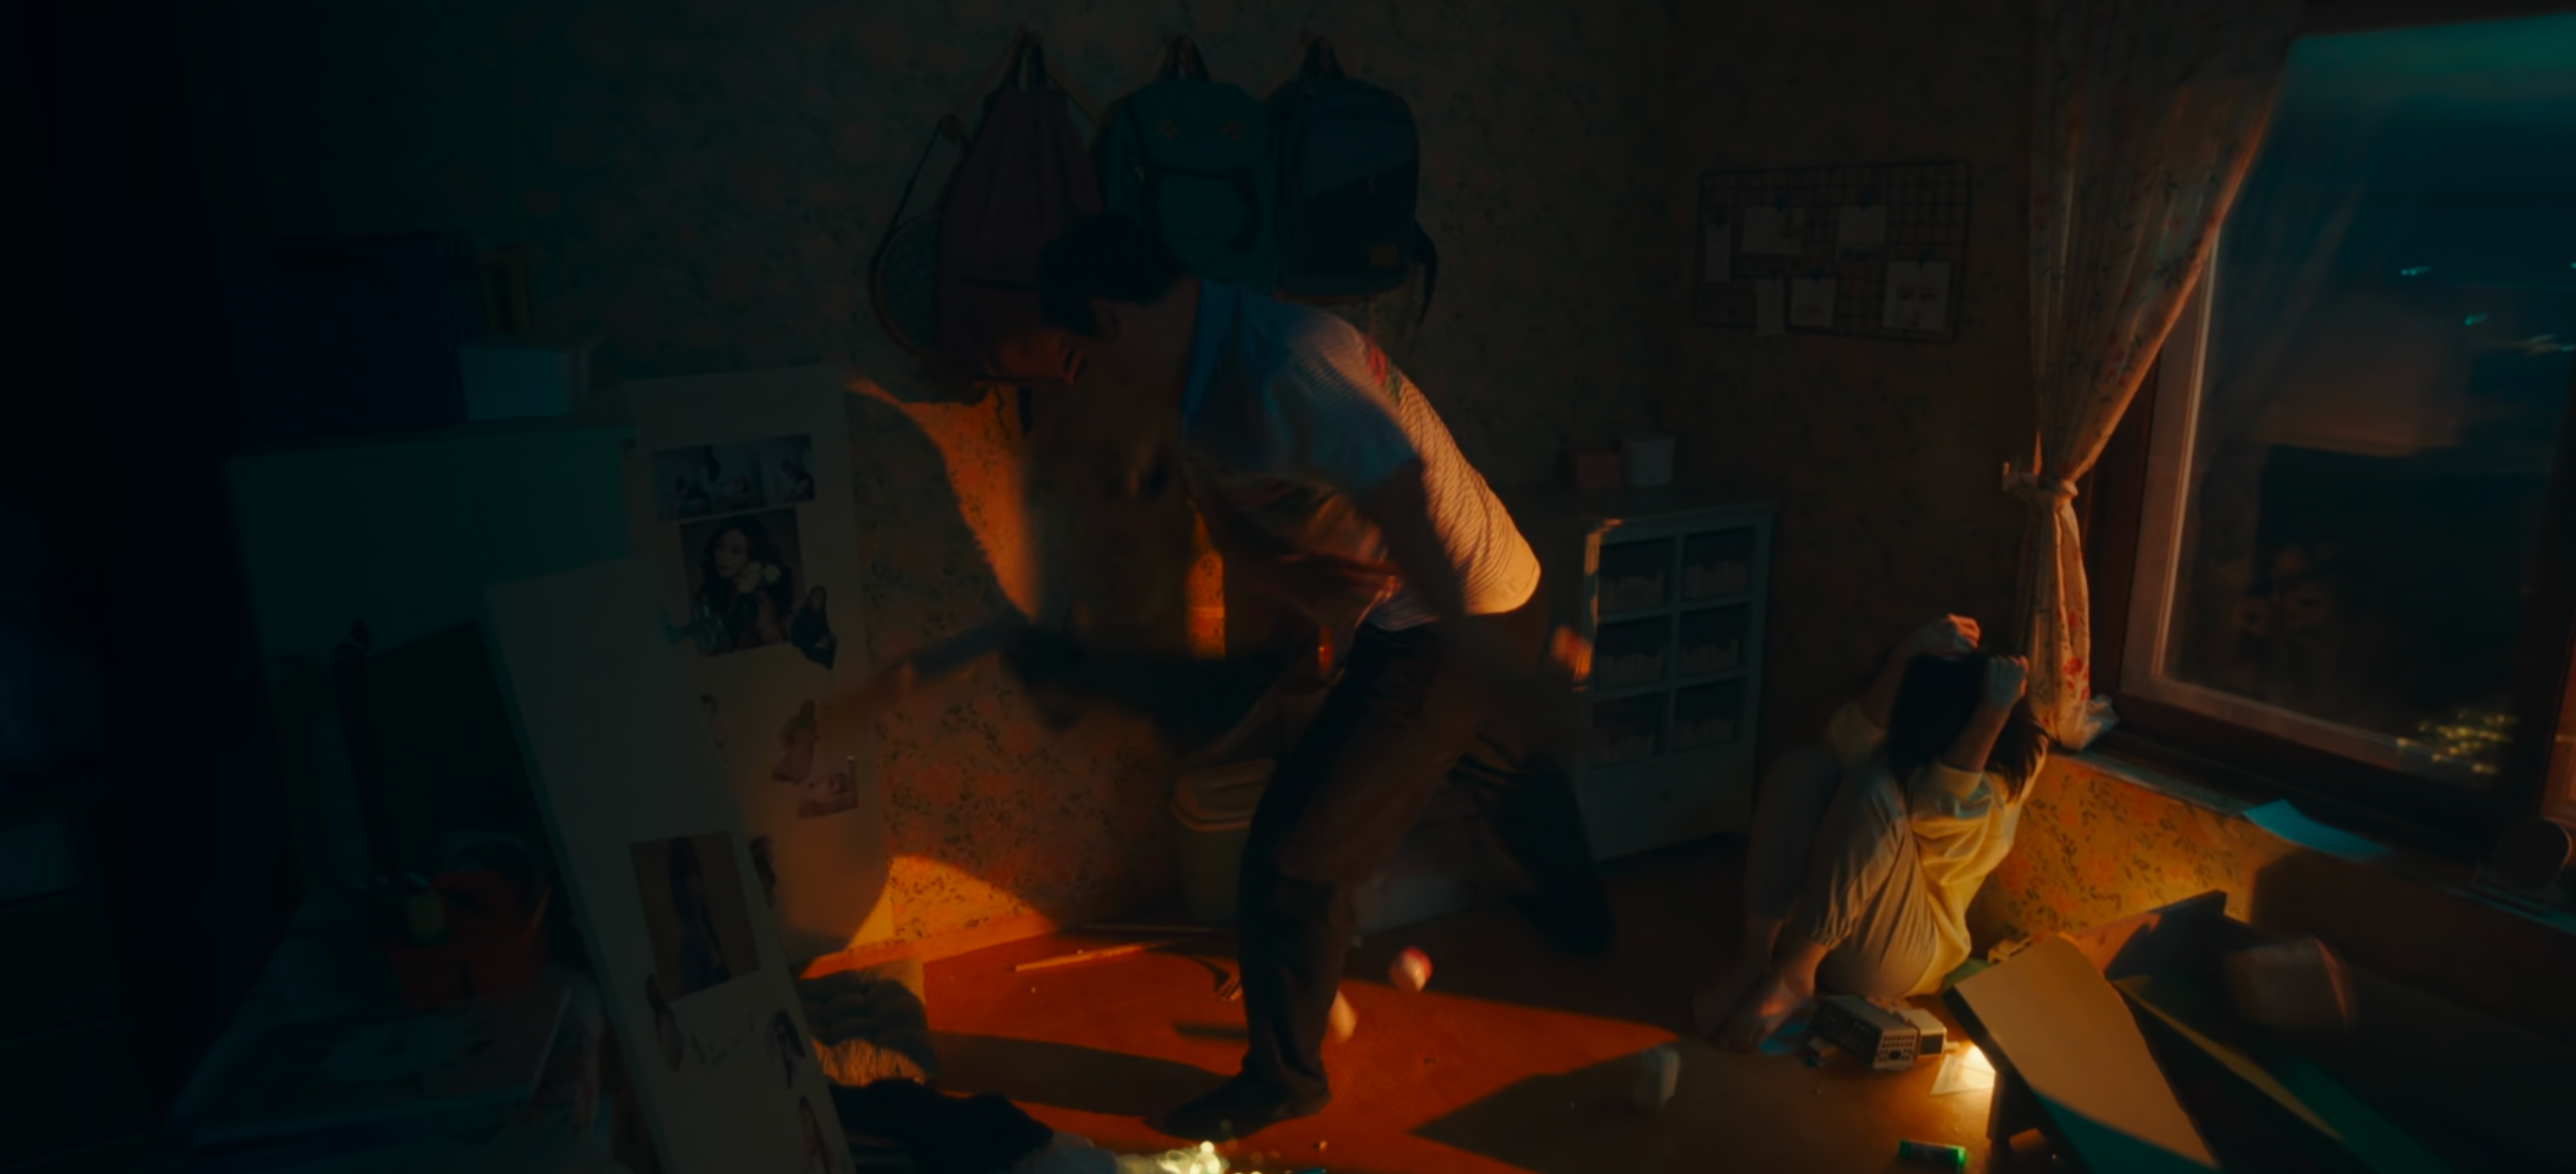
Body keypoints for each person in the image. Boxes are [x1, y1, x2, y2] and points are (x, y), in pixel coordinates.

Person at [1031, 212, 1611, 1142]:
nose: (1091, 379)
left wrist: (1479, 656)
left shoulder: (1280, 368)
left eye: (1083, 356)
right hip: (1486, 591)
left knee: (1294, 858)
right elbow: (1259, 521)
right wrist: (1311, 626)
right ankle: (1580, 913)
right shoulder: (1211, 364)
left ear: (1108, 317)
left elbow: (1406, 508)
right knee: (1502, 767)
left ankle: (1283, 1081)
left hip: (1446, 620)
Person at [1694, 615, 2048, 1051]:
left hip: (1897, 955)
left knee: (1873, 787)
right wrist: (1904, 655)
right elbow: (1842, 748)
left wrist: (1991, 713)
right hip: (1817, 924)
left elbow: (1938, 824)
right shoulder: (1905, 735)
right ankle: (1756, 958)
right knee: (1806, 767)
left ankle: (1794, 976)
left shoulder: (2000, 775)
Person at [695, 517, 792, 651]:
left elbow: (776, 645)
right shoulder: (721, 593)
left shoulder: (758, 601)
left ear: (751, 557)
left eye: (736, 551)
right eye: (720, 547)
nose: (724, 557)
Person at [668, 837, 734, 994]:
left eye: (697, 874)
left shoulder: (706, 926)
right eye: (691, 876)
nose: (698, 882)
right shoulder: (689, 940)